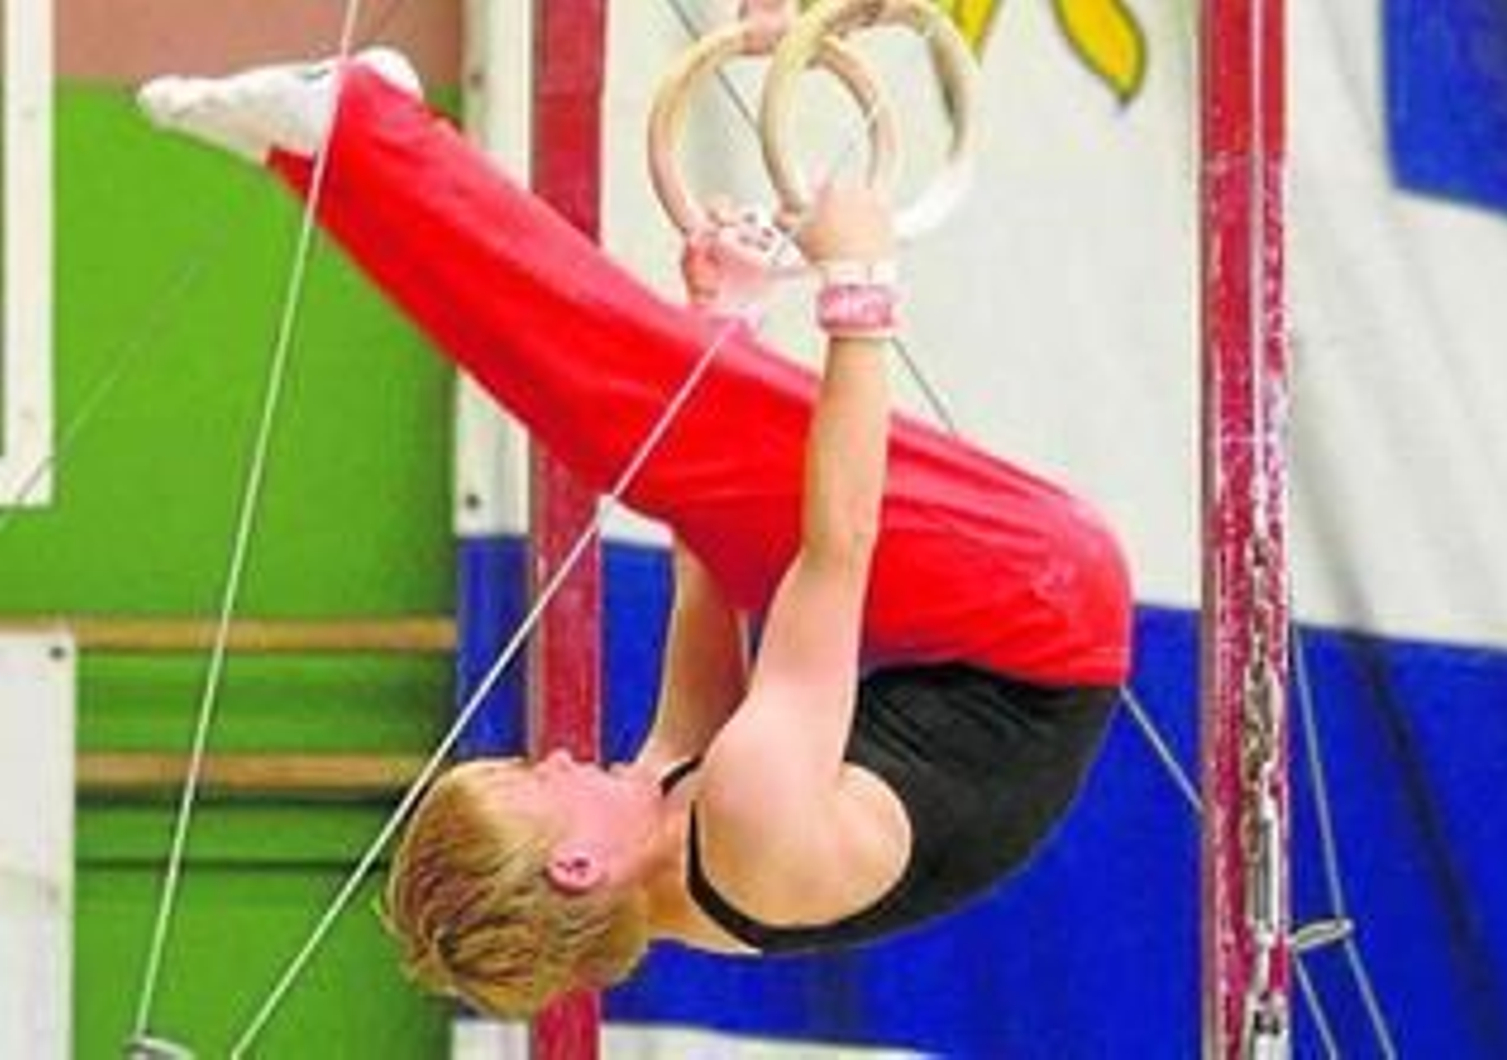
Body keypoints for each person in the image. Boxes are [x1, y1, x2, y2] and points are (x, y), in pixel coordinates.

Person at [138, 48, 1133, 1017]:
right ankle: (361, 133)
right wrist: (858, 287)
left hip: (969, 630)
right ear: (574, 866)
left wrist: (720, 328)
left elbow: (708, 556)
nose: (561, 756)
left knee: (643, 451)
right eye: (540, 779)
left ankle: (335, 152)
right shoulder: (750, 817)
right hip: (1040, 602)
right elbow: (837, 545)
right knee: (628, 435)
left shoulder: (667, 832)